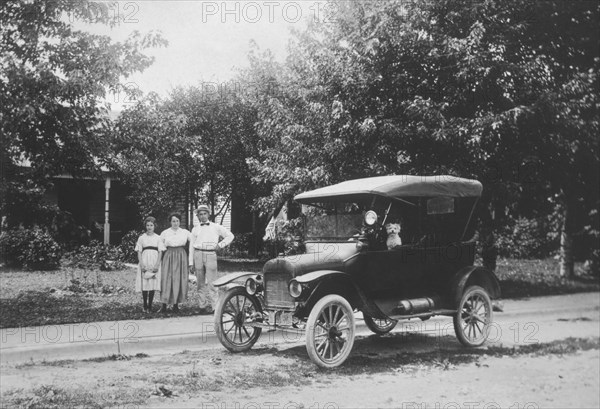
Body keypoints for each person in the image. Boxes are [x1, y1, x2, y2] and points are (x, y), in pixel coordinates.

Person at [189, 205, 234, 313]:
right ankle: (202, 306)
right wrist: (191, 263)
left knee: (213, 282)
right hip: (198, 254)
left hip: (210, 254)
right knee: (200, 283)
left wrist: (220, 245)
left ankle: (215, 308)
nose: (203, 216)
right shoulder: (195, 229)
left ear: (208, 214)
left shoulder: (216, 227)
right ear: (198, 216)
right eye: (200, 214)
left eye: (205, 213)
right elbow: (191, 246)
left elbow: (230, 236)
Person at [159, 213, 191, 313]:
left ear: (180, 222)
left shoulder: (185, 232)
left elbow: (195, 241)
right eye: (173, 221)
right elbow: (159, 244)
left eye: (177, 221)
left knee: (178, 278)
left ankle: (176, 305)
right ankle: (163, 305)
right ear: (170, 222)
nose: (175, 223)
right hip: (169, 255)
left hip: (181, 255)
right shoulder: (165, 232)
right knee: (166, 278)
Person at [134, 216, 163, 313]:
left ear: (155, 226)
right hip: (145, 260)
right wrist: (141, 264)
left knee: (152, 283)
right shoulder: (142, 238)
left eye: (151, 225)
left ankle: (150, 305)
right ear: (145, 226)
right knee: (145, 283)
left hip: (154, 261)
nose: (149, 227)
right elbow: (139, 251)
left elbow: (160, 252)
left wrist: (157, 264)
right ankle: (145, 305)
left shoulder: (158, 238)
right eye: (148, 225)